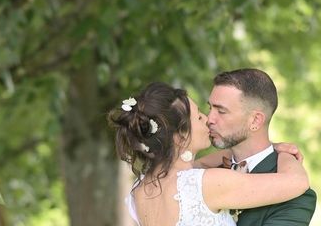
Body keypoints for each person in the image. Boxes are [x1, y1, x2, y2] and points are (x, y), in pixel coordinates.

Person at [108, 82, 310, 226]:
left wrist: (269, 145)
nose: (208, 119)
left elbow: (201, 164)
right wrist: (283, 153)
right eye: (198, 116)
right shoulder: (205, 184)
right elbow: (297, 182)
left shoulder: (141, 190)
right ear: (180, 137)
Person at [203, 68, 317, 225]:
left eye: (221, 111)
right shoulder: (202, 172)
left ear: (255, 121)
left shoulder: (296, 196)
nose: (209, 119)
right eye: (210, 108)